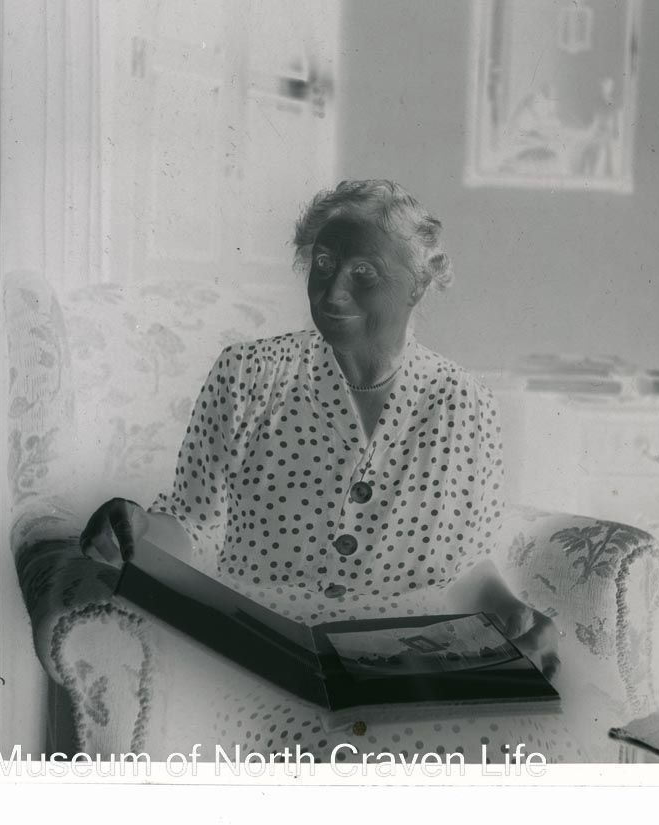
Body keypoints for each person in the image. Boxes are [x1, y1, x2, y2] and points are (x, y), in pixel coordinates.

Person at [80, 179, 564, 761]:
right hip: (263, 652)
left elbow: (464, 564)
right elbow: (193, 522)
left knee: (514, 747)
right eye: (325, 264)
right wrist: (135, 528)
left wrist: (510, 611)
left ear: (417, 285)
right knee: (322, 750)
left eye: (364, 272)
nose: (333, 291)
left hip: (405, 659)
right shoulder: (247, 374)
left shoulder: (466, 404)